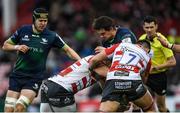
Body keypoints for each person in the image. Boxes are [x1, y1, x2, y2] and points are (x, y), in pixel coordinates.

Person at [2, 8, 81, 112]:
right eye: (40, 21)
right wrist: (17, 47)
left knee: (19, 107)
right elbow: (5, 46)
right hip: (17, 76)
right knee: (8, 110)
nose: (43, 23)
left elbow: (68, 50)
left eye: (45, 21)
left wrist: (82, 62)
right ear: (34, 20)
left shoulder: (52, 36)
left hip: (33, 79)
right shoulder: (23, 30)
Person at [89, 40, 156, 112]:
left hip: (113, 80)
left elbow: (94, 60)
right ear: (147, 49)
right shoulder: (148, 58)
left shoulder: (121, 45)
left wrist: (90, 70)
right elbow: (144, 80)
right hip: (133, 80)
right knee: (149, 108)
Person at [40, 55, 109, 112]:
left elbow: (104, 84)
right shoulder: (98, 62)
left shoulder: (94, 61)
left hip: (48, 84)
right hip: (61, 89)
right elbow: (111, 76)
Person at [139, 15, 176, 112]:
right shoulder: (142, 38)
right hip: (145, 76)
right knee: (138, 104)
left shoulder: (162, 40)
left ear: (156, 27)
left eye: (152, 27)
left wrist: (155, 67)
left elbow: (172, 62)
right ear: (143, 27)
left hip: (159, 77)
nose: (149, 30)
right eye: (147, 27)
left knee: (161, 108)